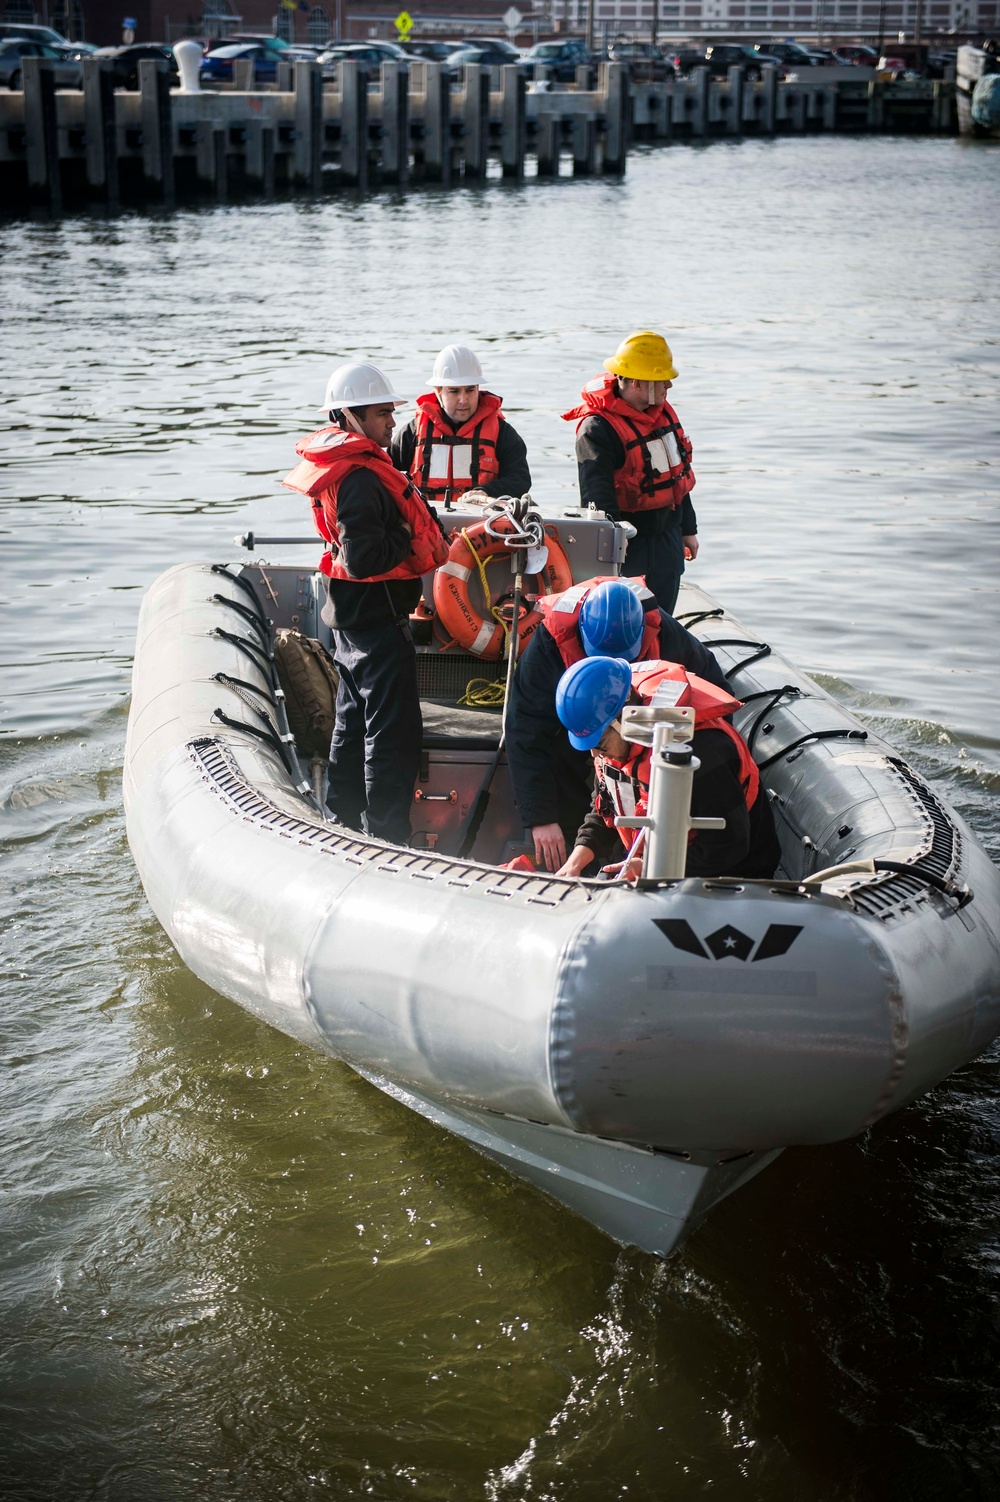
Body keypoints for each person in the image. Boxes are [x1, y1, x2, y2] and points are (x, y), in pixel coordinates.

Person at [282, 361, 448, 844]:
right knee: (391, 734)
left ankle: (342, 815)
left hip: (350, 617)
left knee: (352, 720)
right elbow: (362, 559)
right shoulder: (358, 478)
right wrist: (406, 535)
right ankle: (387, 835)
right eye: (381, 414)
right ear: (349, 417)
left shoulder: (348, 468)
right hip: (374, 620)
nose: (392, 423)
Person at [505, 575, 731, 872]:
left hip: (653, 737)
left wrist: (688, 766)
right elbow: (525, 728)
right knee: (577, 762)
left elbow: (716, 697)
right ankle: (584, 862)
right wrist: (541, 817)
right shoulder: (551, 642)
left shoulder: (667, 635)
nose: (599, 757)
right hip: (586, 728)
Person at [553, 656, 782, 881]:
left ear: (625, 720)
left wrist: (649, 869)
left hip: (730, 878)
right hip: (656, 864)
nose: (595, 754)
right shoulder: (613, 747)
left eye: (598, 744)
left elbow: (727, 846)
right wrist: (576, 861)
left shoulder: (703, 752)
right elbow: (605, 806)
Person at [563, 330, 698, 613]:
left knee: (664, 617)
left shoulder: (661, 414)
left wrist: (688, 529)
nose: (669, 386)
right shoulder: (597, 429)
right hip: (631, 547)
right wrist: (611, 561)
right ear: (637, 383)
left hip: (667, 540)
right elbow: (597, 502)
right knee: (631, 621)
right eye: (662, 380)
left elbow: (676, 478)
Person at [390, 343, 531, 505]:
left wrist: (488, 491)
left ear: (478, 388)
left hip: (482, 521)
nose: (463, 400)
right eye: (454, 391)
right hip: (423, 522)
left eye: (470, 390)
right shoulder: (412, 432)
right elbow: (387, 476)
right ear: (438, 390)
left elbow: (520, 480)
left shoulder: (502, 433)